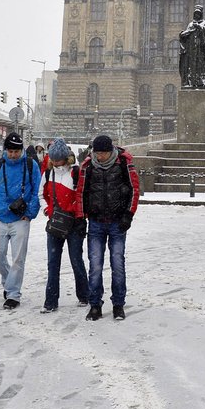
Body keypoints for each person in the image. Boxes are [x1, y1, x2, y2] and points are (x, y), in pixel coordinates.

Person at [78, 134, 140, 321]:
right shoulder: (88, 167)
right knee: (95, 266)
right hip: (96, 222)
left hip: (117, 222)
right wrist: (82, 218)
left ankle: (118, 304)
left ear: (110, 151)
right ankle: (95, 304)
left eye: (103, 153)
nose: (100, 157)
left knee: (117, 264)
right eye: (97, 153)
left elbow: (134, 190)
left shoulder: (123, 164)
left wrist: (128, 215)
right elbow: (81, 193)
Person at [0, 131, 41, 310]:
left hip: (20, 219)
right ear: (5, 150)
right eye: (10, 151)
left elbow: (37, 192)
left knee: (18, 259)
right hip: (0, 216)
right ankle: (9, 280)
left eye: (16, 151)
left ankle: (13, 294)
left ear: (21, 150)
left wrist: (30, 213)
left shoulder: (31, 166)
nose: (13, 154)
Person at [40, 138, 89, 313]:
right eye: (52, 159)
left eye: (57, 159)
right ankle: (50, 301)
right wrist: (47, 210)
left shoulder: (76, 173)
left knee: (76, 260)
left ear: (66, 158)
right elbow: (41, 194)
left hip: (74, 224)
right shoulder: (47, 174)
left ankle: (84, 295)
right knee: (53, 263)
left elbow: (83, 196)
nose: (54, 162)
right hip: (55, 223)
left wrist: (79, 214)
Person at [179, 5, 205, 89]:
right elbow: (187, 33)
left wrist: (200, 27)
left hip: (200, 49)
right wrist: (182, 34)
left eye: (198, 14)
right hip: (191, 49)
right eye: (195, 14)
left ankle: (202, 81)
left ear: (201, 14)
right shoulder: (191, 24)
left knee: (201, 66)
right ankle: (192, 82)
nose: (197, 15)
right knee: (191, 66)